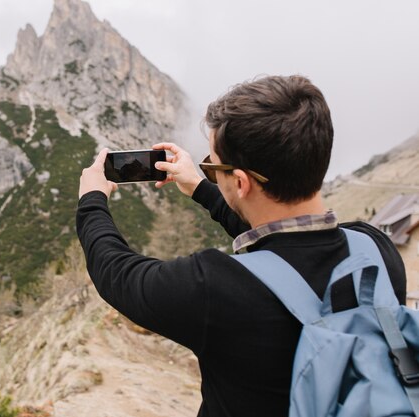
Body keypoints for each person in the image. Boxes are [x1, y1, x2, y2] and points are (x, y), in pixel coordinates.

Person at [75, 75, 406, 417]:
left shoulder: (215, 289)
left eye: (214, 166)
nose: (211, 173)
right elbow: (283, 238)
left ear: (241, 182)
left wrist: (92, 199)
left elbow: (116, 273)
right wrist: (200, 187)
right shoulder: (376, 249)